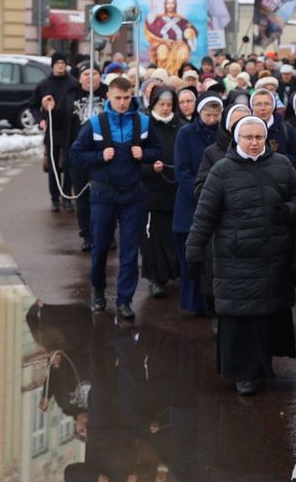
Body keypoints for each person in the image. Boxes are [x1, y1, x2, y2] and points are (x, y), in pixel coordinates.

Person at [185, 116, 296, 396]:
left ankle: (264, 366)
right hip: (235, 258)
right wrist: (193, 252)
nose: (254, 143)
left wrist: (288, 209)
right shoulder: (222, 171)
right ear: (237, 139)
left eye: (259, 137)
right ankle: (244, 374)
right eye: (248, 137)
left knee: (267, 314)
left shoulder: (282, 164)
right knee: (241, 316)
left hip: (274, 255)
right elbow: (204, 216)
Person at [70, 76, 164, 320]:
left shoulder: (142, 122)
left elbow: (157, 151)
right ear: (108, 98)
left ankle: (124, 300)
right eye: (118, 98)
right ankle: (99, 292)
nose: (122, 103)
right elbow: (76, 155)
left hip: (133, 195)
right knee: (100, 247)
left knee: (130, 251)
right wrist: (99, 157)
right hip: (103, 194)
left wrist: (144, 153)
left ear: (131, 96)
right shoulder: (95, 124)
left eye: (126, 98)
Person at [172, 95, 226, 314]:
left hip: (217, 204)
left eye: (216, 115)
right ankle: (193, 303)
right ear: (199, 113)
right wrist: (202, 195)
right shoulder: (185, 133)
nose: (212, 120)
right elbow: (181, 171)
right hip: (190, 202)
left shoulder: (224, 135)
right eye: (207, 115)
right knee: (191, 256)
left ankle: (212, 304)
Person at [140, 88, 181, 300]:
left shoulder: (181, 126)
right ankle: (157, 278)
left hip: (178, 190)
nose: (165, 108)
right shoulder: (145, 127)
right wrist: (149, 169)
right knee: (154, 238)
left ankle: (177, 272)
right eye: (161, 104)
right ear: (153, 104)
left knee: (175, 236)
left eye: (169, 104)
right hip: (153, 191)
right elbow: (135, 159)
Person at [29, 52, 82, 210]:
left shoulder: (73, 83)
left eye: (62, 63)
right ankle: (54, 198)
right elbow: (32, 106)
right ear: (52, 65)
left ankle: (67, 197)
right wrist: (41, 120)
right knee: (53, 166)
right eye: (57, 63)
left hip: (69, 129)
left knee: (68, 164)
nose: (60, 66)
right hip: (52, 129)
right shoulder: (44, 84)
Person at [67, 67, 106, 251]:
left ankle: (106, 234)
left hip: (106, 155)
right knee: (82, 197)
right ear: (79, 78)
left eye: (95, 74)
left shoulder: (108, 93)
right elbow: (60, 122)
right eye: (86, 74)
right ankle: (87, 235)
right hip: (80, 155)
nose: (90, 78)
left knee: (106, 196)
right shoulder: (71, 94)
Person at [250, 88, 296, 168]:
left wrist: (276, 160)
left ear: (273, 106)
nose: (263, 108)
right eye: (258, 104)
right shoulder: (245, 129)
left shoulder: (287, 129)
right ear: (252, 107)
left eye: (267, 104)